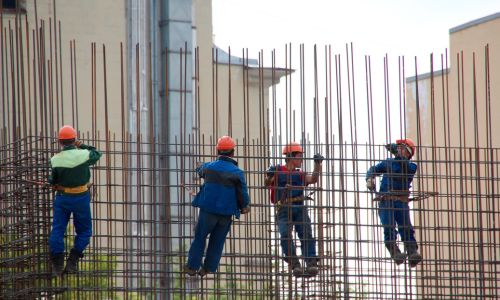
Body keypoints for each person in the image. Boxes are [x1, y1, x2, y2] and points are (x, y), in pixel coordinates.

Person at [185, 136, 251, 276]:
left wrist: (199, 166)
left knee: (200, 237)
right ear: (233, 152)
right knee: (218, 241)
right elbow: (242, 193)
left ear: (218, 151)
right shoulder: (237, 172)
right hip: (226, 214)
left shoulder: (209, 167)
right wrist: (245, 206)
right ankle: (208, 268)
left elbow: (200, 170)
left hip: (208, 211)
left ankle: (192, 266)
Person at [48, 125, 102, 276]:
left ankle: (57, 265)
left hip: (63, 198)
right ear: (74, 140)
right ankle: (73, 260)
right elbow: (97, 153)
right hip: (81, 198)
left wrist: (55, 183)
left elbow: (53, 181)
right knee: (85, 231)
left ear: (60, 142)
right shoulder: (83, 154)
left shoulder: (55, 160)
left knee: (57, 230)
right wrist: (82, 145)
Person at [265, 142, 323, 277]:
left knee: (306, 233)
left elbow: (313, 179)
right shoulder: (278, 170)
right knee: (285, 234)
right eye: (299, 156)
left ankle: (311, 262)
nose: (301, 160)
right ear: (291, 157)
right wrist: (269, 175)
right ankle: (294, 263)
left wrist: (317, 165)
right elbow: (267, 183)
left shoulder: (301, 174)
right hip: (283, 208)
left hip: (299, 207)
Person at [366, 138, 423, 267]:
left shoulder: (411, 166)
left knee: (406, 227)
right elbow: (374, 169)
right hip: (386, 202)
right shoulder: (388, 163)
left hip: (401, 202)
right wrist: (369, 178)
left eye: (402, 148)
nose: (399, 150)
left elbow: (405, 165)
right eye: (398, 148)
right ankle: (395, 253)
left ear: (408, 153)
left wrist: (396, 154)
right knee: (389, 226)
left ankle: (412, 252)